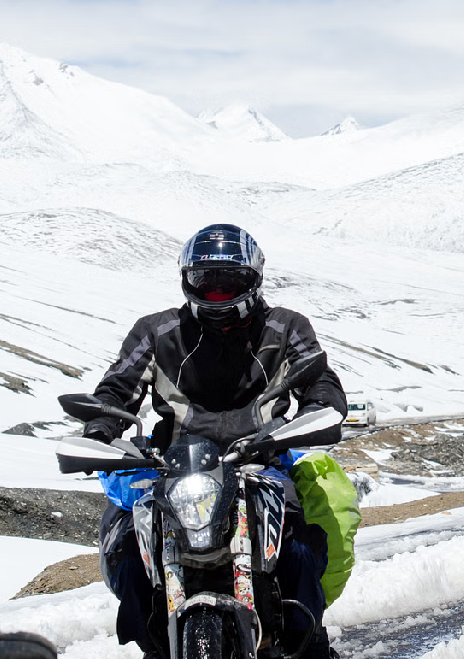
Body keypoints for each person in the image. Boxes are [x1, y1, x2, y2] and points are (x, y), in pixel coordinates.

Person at [82, 224, 348, 659]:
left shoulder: (286, 328)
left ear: (254, 277)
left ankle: (307, 641)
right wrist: (100, 427)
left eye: (230, 281)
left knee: (299, 541)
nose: (218, 292)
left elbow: (320, 379)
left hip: (260, 463)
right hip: (175, 468)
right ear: (188, 280)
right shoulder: (156, 331)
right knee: (128, 543)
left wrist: (317, 411)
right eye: (208, 281)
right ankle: (153, 642)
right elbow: (117, 386)